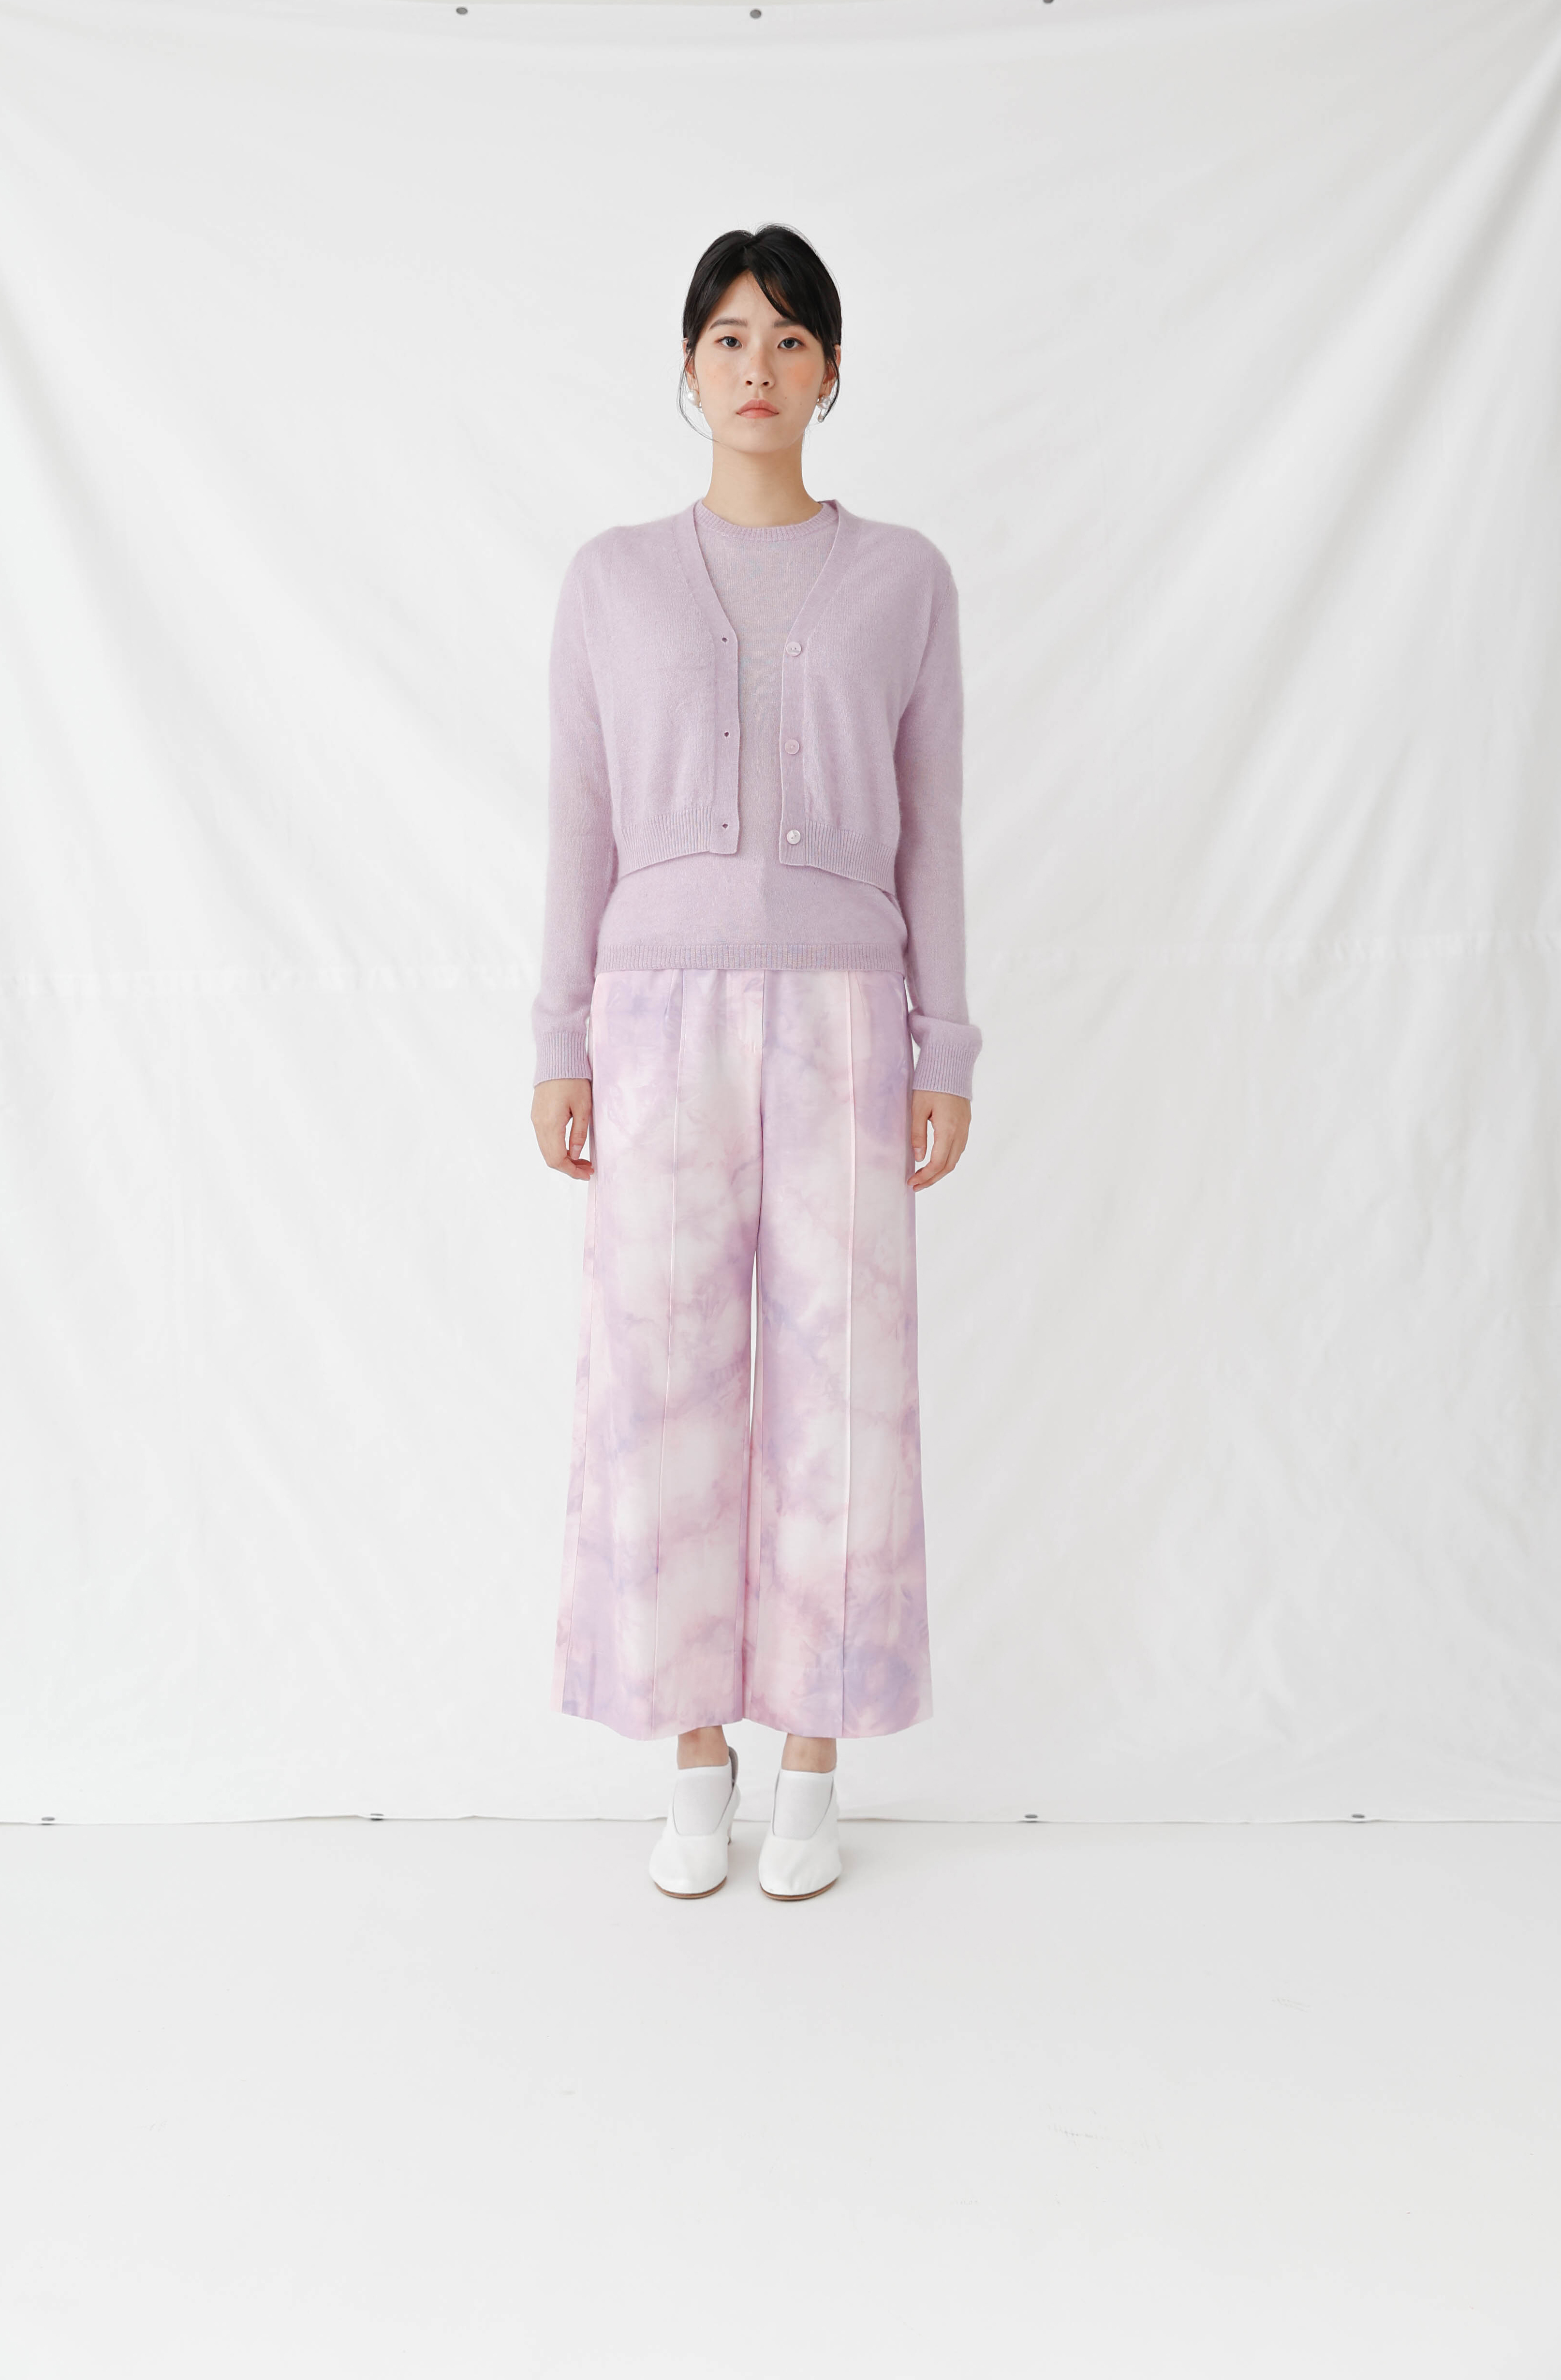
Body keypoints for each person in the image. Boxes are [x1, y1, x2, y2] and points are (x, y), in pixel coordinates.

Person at [530, 223, 980, 1902]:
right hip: (654, 1023)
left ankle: (813, 1765)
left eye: (790, 340)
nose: (758, 368)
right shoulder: (610, 580)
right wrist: (557, 1035)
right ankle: (692, 1759)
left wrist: (944, 1044)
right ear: (687, 368)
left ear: (832, 371)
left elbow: (934, 829)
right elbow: (576, 819)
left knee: (842, 1391)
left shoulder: (905, 579)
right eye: (729, 338)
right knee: (660, 1382)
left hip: (850, 1016)